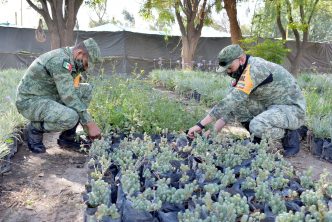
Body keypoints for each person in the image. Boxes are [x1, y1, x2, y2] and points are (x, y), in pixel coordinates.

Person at [187, 44, 306, 157]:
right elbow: (229, 108)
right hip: (271, 106)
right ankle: (257, 138)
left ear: (241, 59)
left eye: (230, 67)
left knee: (257, 126)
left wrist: (200, 125)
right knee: (238, 106)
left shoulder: (255, 68)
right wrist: (211, 133)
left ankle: (290, 134)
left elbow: (231, 101)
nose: (228, 72)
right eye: (226, 69)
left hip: (291, 110)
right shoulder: (241, 72)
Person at [16, 38, 102, 153]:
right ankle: (35, 128)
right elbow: (68, 96)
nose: (86, 68)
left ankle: (67, 137)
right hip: (30, 101)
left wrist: (86, 123)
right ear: (79, 53)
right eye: (86, 63)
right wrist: (89, 123)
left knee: (86, 90)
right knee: (71, 117)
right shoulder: (60, 61)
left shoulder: (70, 59)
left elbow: (69, 90)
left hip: (48, 95)